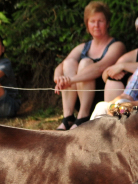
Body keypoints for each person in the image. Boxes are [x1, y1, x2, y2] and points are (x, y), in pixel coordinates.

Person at [53, 2, 126, 130]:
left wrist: (70, 80)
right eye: (92, 21)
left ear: (107, 23)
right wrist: (59, 79)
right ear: (87, 24)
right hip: (78, 96)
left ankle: (83, 117)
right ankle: (68, 117)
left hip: (100, 99)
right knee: (69, 63)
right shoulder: (83, 47)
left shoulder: (117, 45)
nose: (96, 25)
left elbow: (100, 67)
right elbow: (61, 66)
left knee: (85, 62)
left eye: (100, 21)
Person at [101, 14, 138, 102]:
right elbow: (106, 74)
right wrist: (115, 74)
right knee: (112, 82)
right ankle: (112, 113)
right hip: (128, 100)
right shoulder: (133, 55)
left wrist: (124, 66)